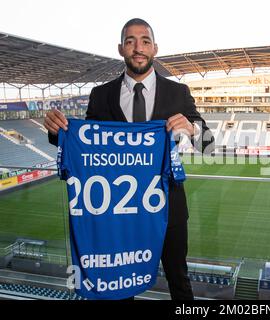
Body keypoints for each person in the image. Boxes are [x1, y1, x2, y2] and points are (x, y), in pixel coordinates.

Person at [44, 18, 214, 300]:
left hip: (168, 208)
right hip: (117, 211)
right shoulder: (101, 95)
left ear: (155, 48)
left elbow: (209, 147)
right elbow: (87, 144)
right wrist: (56, 131)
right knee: (120, 284)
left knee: (179, 280)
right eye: (131, 41)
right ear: (121, 48)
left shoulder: (178, 92)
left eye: (145, 41)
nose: (138, 48)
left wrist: (193, 128)